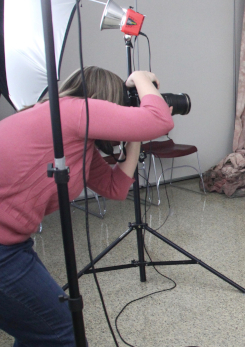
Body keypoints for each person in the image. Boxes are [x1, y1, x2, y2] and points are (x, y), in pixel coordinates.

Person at [0, 67, 174, 345]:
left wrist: (134, 133)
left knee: (37, 328)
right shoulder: (74, 110)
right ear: (103, 100)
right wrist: (140, 78)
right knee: (58, 330)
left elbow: (114, 188)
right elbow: (159, 119)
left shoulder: (71, 135)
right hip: (4, 250)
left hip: (13, 245)